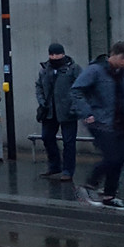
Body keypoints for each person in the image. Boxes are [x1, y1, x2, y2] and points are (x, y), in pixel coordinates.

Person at [71, 42, 124, 210]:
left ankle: (109, 196)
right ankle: (88, 186)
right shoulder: (95, 70)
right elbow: (76, 90)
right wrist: (87, 113)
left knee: (120, 159)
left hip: (120, 122)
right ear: (121, 56)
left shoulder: (122, 73)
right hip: (101, 122)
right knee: (111, 157)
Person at [35, 42, 82, 182]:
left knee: (69, 142)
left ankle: (68, 170)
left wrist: (75, 106)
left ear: (63, 54)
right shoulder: (45, 69)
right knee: (47, 137)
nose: (54, 57)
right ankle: (54, 165)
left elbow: (81, 87)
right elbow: (39, 86)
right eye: (51, 54)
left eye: (57, 54)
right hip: (49, 111)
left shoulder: (73, 68)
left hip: (68, 112)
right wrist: (42, 101)